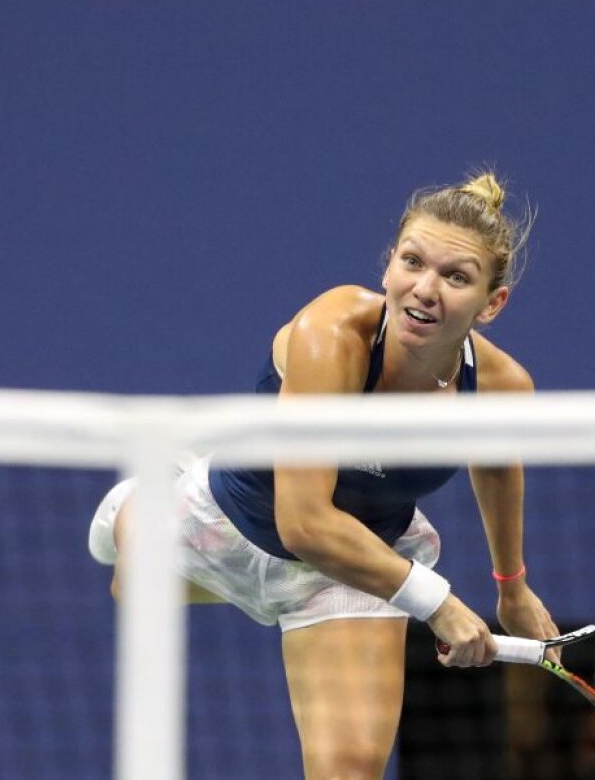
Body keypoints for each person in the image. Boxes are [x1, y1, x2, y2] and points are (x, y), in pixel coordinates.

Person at [88, 171, 559, 779]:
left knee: (350, 770)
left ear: (492, 304)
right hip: (237, 522)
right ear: (388, 265)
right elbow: (305, 521)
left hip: (358, 564)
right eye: (412, 262)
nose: (425, 289)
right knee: (133, 587)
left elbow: (497, 464)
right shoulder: (331, 332)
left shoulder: (501, 388)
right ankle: (143, 505)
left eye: (456, 277)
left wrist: (512, 586)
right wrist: (436, 603)